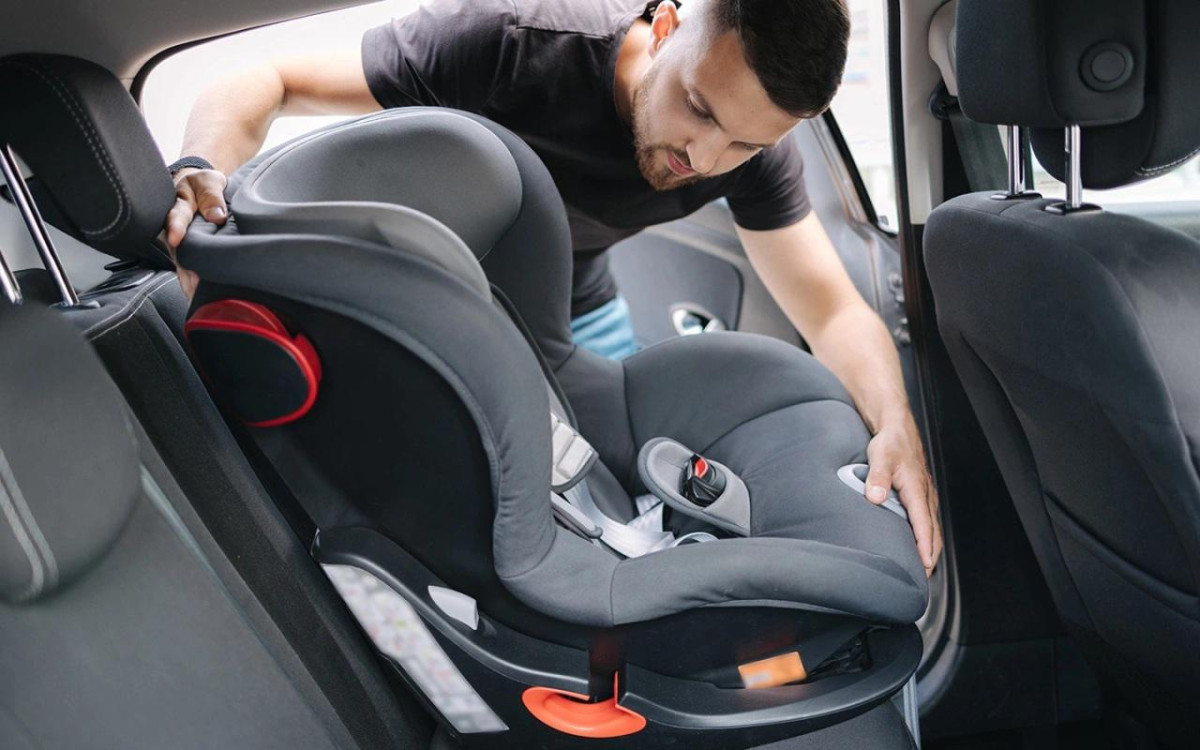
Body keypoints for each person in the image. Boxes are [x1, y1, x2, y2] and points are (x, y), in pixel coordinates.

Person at [163, 0, 943, 575]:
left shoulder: (754, 156)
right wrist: (202, 172)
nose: (705, 158)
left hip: (572, 305)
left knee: (613, 498)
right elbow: (264, 79)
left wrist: (896, 426)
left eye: (744, 142)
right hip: (435, 298)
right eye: (698, 108)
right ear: (666, 28)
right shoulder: (512, 41)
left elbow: (832, 309)